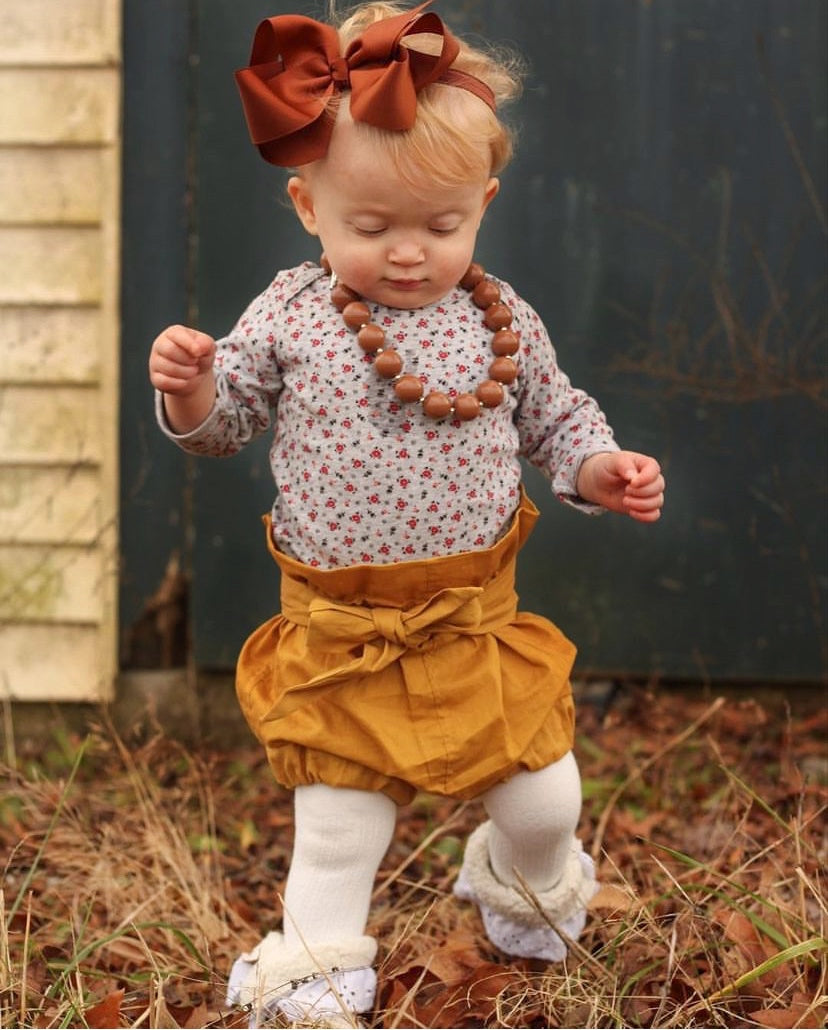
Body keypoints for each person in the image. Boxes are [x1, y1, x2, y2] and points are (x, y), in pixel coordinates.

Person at [149, 2, 665, 1024]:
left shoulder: (500, 315)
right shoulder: (292, 314)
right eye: (370, 226)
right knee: (341, 826)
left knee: (543, 798)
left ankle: (517, 879)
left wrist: (598, 465)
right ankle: (314, 968)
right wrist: (190, 390)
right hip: (343, 637)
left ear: (485, 201)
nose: (406, 253)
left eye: (441, 225)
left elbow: (554, 413)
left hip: (473, 624)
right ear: (307, 206)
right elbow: (226, 422)